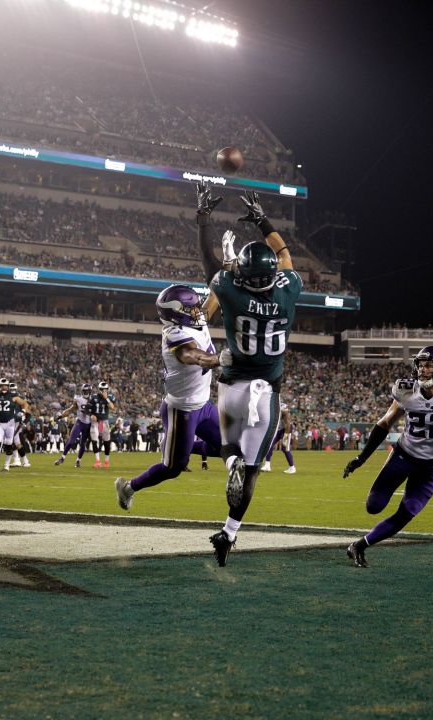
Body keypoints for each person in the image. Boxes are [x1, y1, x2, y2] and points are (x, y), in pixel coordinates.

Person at [197, 184, 302, 566]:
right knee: (254, 467)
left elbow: (211, 267)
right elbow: (284, 255)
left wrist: (203, 219)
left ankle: (228, 465)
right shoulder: (289, 289)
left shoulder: (231, 289)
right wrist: (262, 220)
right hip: (267, 391)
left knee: (228, 448)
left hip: (232, 384)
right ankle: (229, 532)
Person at [342, 346, 433, 568]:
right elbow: (384, 423)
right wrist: (362, 458)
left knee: (409, 511)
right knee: (374, 506)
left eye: (428, 365)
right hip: (403, 455)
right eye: (420, 365)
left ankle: (359, 546)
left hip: (432, 465)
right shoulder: (406, 389)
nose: (422, 370)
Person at [114, 284, 223, 512]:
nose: (197, 311)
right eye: (191, 307)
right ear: (178, 312)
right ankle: (128, 487)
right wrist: (221, 359)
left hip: (203, 405)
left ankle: (185, 445)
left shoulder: (191, 320)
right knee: (173, 468)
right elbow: (194, 355)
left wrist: (228, 267)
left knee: (228, 446)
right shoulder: (175, 334)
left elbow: (216, 295)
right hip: (181, 410)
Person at [0, 378, 31, 471]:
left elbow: (25, 404)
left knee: (9, 443)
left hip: (10, 422)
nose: (4, 387)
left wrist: (23, 411)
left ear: (8, 386)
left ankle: (6, 465)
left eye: (6, 386)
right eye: (2, 386)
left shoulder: (14, 396)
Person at [53, 383, 96, 468]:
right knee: (71, 440)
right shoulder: (78, 399)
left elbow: (97, 413)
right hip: (79, 422)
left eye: (86, 391)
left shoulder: (94, 400)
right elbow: (71, 410)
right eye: (84, 391)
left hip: (88, 425)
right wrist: (60, 416)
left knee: (83, 444)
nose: (84, 392)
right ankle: (62, 458)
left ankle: (78, 461)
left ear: (89, 391)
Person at [260, 403, 296, 474]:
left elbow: (288, 424)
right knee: (269, 445)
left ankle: (292, 467)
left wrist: (285, 436)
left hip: (286, 430)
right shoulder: (273, 409)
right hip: (278, 429)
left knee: (285, 448)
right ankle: (267, 465)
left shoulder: (284, 413)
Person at [90, 381, 114, 469]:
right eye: (101, 389)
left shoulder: (110, 397)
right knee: (94, 440)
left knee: (107, 441)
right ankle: (98, 461)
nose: (103, 391)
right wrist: (91, 414)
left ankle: (107, 461)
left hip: (104, 422)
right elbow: (89, 409)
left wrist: (106, 398)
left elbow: (112, 407)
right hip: (95, 422)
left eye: (105, 389)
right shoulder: (93, 397)